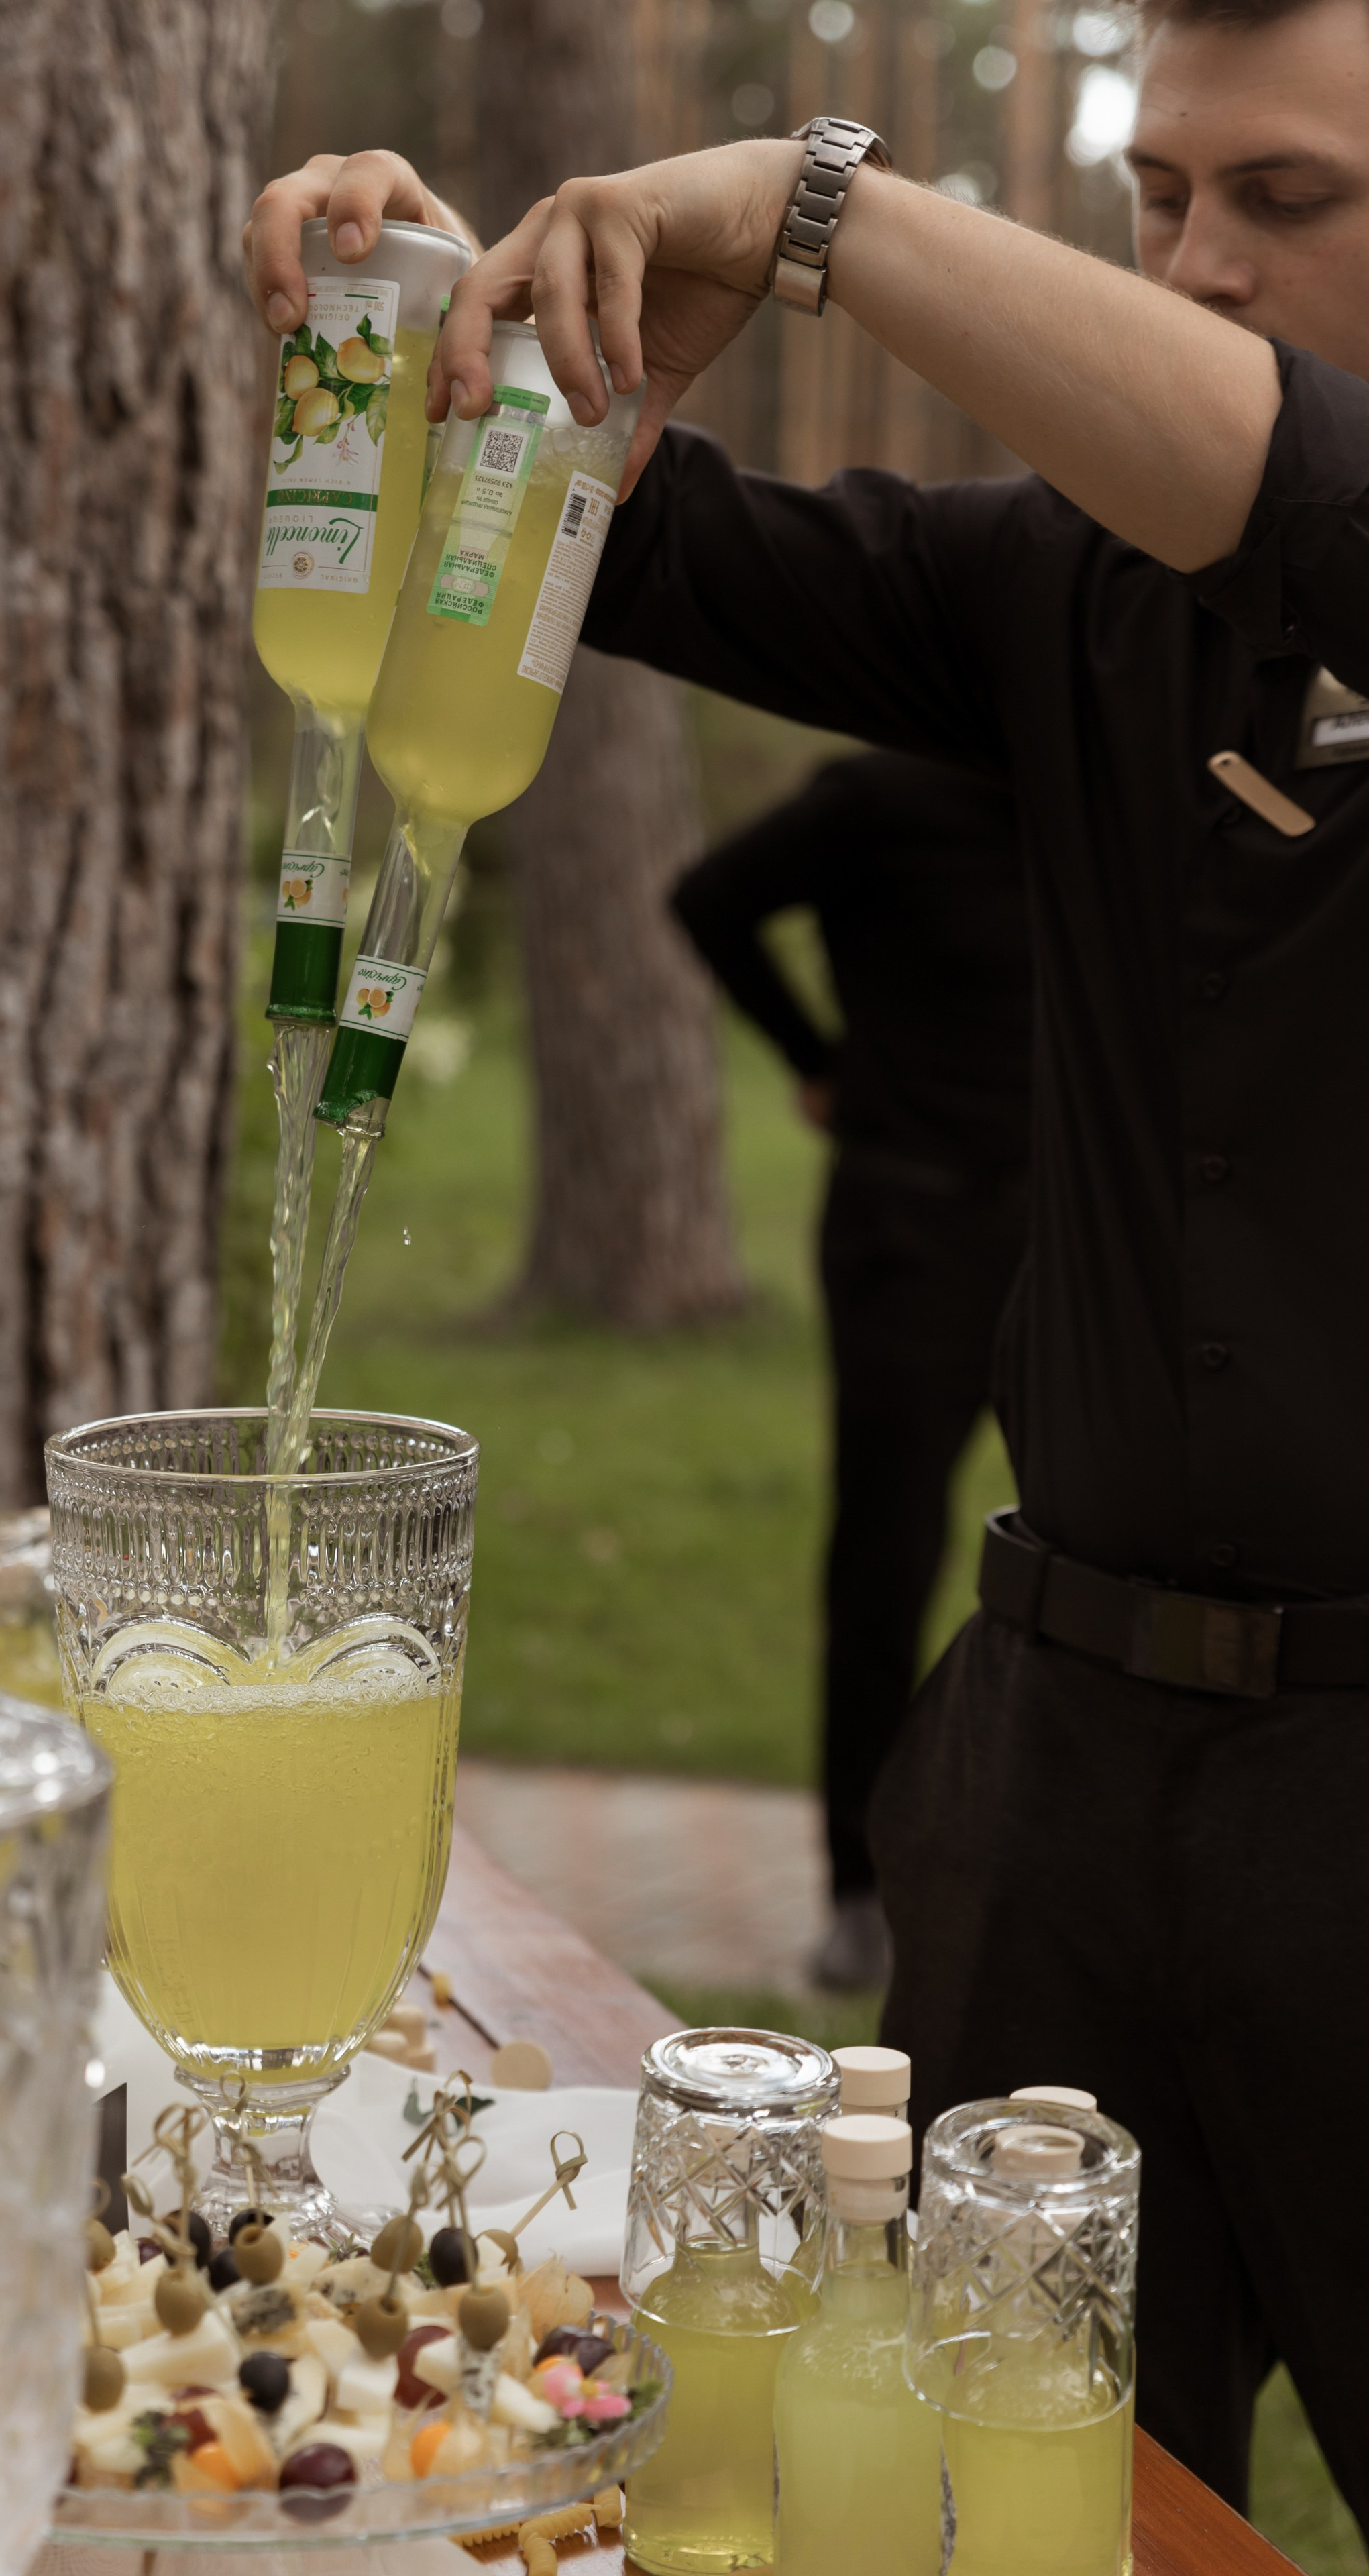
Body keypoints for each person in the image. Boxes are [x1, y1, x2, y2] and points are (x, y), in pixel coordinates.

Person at [244, 0, 1369, 2520]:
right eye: (1160, 197)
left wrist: (818, 200)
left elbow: (1316, 495)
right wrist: (425, 320)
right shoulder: (1068, 588)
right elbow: (643, 535)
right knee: (949, 2523)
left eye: (1282, 202)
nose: (1195, 263)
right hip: (1056, 1793)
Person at [671, 755, 1030, 1991]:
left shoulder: (1112, 778)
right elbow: (708, 895)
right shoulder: (883, 798)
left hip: (1075, 1241)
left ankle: (1059, 1878)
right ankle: (860, 1889)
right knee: (887, 1559)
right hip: (909, 1230)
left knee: (1100, 1558)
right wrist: (816, 1057)